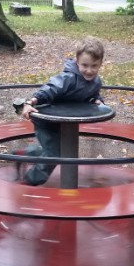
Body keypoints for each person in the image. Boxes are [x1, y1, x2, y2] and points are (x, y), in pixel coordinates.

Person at [16, 36, 105, 185]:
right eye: (85, 65)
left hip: (64, 123)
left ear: (101, 63)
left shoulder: (96, 82)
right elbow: (49, 89)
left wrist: (96, 100)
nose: (89, 70)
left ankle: (24, 154)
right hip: (46, 121)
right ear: (77, 61)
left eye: (94, 66)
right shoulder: (67, 78)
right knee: (55, 154)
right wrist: (30, 102)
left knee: (60, 150)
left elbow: (92, 94)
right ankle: (29, 182)